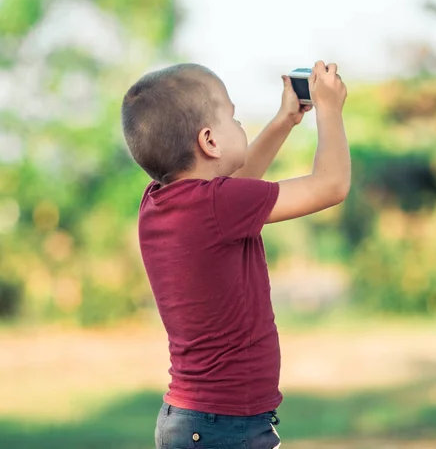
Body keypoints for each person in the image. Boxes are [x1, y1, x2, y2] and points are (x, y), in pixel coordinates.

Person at [121, 60, 350, 449]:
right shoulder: (217, 205)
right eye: (233, 116)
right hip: (225, 426)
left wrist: (284, 121)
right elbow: (331, 185)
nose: (241, 124)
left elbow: (234, 185)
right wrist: (329, 110)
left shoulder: (159, 203)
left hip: (191, 421)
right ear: (210, 141)